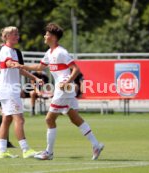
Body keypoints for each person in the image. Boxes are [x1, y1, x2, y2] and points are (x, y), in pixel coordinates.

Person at [20, 23, 104, 160]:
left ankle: (49, 152)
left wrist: (68, 81)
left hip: (63, 88)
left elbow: (76, 69)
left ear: (53, 37)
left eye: (47, 34)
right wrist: (22, 66)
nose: (44, 36)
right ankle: (96, 144)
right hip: (65, 89)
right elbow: (40, 67)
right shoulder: (49, 52)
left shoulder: (61, 52)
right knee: (75, 118)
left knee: (49, 119)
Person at [0, 26, 41, 159]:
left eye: (17, 33)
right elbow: (9, 63)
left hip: (9, 89)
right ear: (6, 37)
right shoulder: (6, 50)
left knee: (6, 119)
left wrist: (34, 77)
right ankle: (26, 149)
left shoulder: (15, 51)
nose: (17, 36)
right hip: (10, 90)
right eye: (14, 34)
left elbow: (19, 69)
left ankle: (2, 151)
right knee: (20, 119)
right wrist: (15, 65)